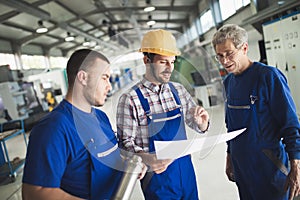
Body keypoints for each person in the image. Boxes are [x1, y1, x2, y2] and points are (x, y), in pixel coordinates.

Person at [22, 49, 145, 200]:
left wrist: (130, 163)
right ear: (83, 78)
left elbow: (111, 153)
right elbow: (33, 193)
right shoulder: (54, 128)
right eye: (104, 78)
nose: (110, 86)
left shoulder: (101, 117)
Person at [116, 29, 210, 199]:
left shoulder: (178, 90)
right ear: (147, 60)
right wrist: (146, 157)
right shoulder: (130, 99)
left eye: (172, 62)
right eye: (163, 62)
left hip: (185, 172)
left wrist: (202, 123)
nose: (169, 68)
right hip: (157, 179)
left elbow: (196, 124)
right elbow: (124, 144)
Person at [211, 24, 300, 200]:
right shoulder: (229, 83)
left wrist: (296, 164)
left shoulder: (268, 76)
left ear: (244, 48)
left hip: (269, 166)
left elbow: (289, 123)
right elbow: (232, 125)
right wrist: (229, 156)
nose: (224, 61)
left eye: (229, 54)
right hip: (242, 167)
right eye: (219, 56)